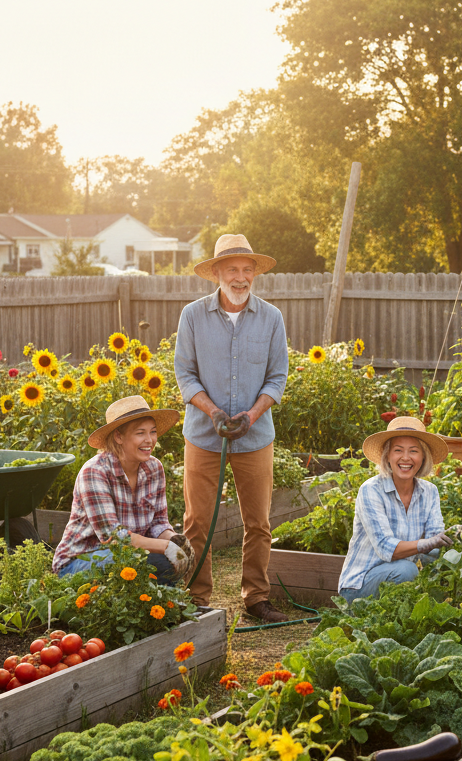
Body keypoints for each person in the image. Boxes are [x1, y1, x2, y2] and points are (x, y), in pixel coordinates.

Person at [173, 234, 290, 622]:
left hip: (255, 436)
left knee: (258, 522)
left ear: (254, 273)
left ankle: (256, 598)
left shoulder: (272, 318)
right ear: (217, 274)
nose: (240, 278)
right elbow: (185, 375)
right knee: (196, 521)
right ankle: (198, 599)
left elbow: (277, 378)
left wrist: (251, 416)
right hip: (205, 436)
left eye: (247, 269)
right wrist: (213, 412)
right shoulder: (192, 316)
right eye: (232, 270)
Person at [52, 396, 190, 581]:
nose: (149, 440)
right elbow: (114, 538)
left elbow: (158, 522)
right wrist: (166, 548)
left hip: (129, 555)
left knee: (165, 564)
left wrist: (175, 541)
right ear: (118, 436)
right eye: (140, 433)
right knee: (155, 563)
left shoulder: (154, 468)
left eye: (153, 432)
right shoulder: (95, 472)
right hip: (79, 561)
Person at [338, 416, 453, 602]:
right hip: (358, 588)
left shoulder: (430, 492)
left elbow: (434, 547)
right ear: (387, 455)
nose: (405, 458)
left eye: (414, 451)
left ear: (423, 457)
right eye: (398, 450)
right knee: (406, 570)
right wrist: (425, 543)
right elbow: (385, 548)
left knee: (446, 566)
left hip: (398, 581)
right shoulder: (371, 490)